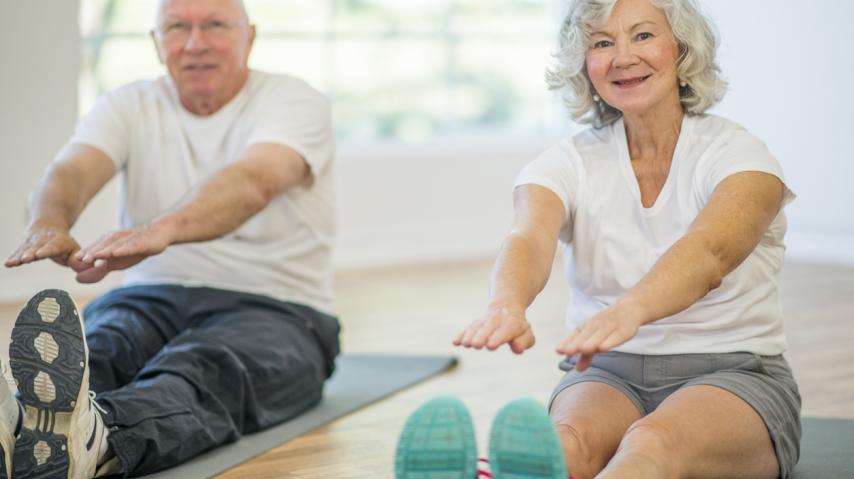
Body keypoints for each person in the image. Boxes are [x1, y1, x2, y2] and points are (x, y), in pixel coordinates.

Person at [453, 0, 801, 478]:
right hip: (607, 372)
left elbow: (708, 254)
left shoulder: (740, 156)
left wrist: (628, 310)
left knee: (651, 443)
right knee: (563, 446)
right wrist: (505, 304)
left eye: (642, 35)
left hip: (734, 372)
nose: (622, 57)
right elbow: (529, 237)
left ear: (681, 48)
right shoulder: (567, 161)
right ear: (583, 64)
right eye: (602, 43)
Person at [2, 0, 340, 477]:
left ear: (250, 36)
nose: (196, 42)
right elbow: (72, 170)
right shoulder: (128, 103)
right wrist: (48, 223)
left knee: (199, 367)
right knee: (103, 346)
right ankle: (21, 422)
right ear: (157, 43)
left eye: (216, 25)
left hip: (278, 308)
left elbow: (254, 180)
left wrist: (159, 230)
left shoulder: (292, 100)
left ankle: (98, 437)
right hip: (149, 296)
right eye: (178, 27)